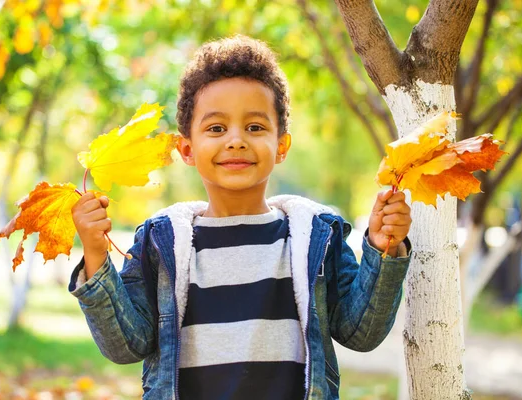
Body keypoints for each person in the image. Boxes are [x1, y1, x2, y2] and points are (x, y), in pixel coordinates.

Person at [69, 35, 412, 400]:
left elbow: (361, 332)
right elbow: (126, 344)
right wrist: (95, 254)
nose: (236, 140)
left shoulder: (316, 237)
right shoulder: (161, 242)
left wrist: (382, 246)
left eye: (255, 127)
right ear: (187, 148)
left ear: (281, 146)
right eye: (216, 128)